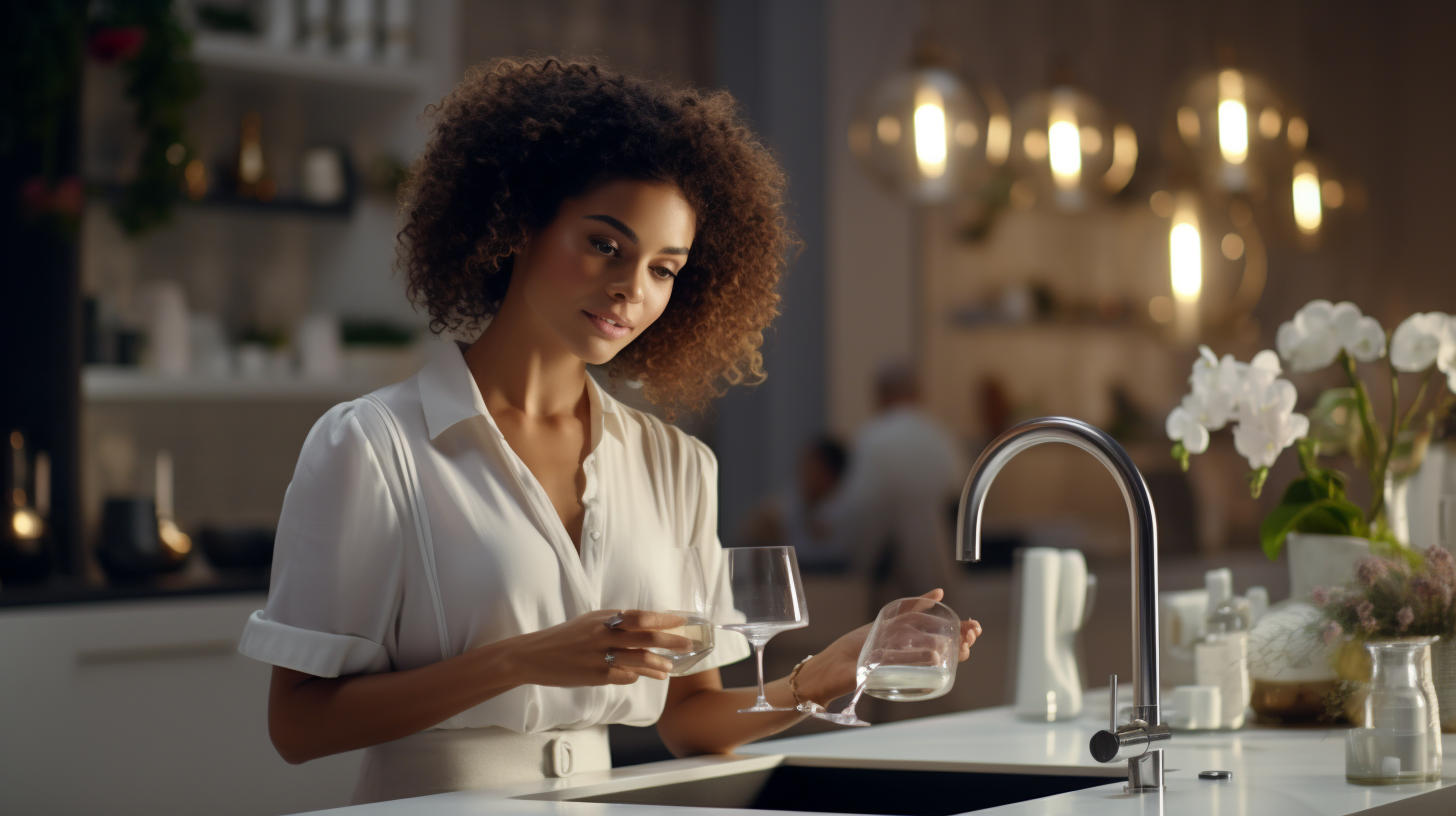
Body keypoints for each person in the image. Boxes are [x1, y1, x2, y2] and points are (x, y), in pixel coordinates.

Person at [237, 58, 982, 805]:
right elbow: (299, 727)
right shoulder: (372, 446)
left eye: (665, 268)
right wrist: (519, 660)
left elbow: (690, 720)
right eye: (605, 245)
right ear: (519, 222)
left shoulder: (676, 464)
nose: (632, 289)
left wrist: (821, 675)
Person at [822, 361, 966, 601]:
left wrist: (826, 518)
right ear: (916, 393)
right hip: (936, 551)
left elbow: (859, 500)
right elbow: (958, 485)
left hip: (887, 561)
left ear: (882, 394)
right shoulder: (938, 432)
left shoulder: (872, 434)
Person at [738, 435, 850, 570]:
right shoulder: (772, 513)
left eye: (813, 467)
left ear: (832, 475)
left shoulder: (847, 515)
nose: (803, 471)